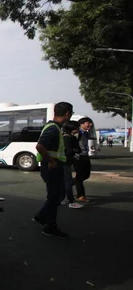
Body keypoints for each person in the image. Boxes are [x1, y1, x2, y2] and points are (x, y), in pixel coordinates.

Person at [33, 101, 73, 239]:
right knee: (54, 196)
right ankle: (50, 226)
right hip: (52, 167)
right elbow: (39, 146)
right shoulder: (53, 128)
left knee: (58, 195)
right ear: (67, 113)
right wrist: (51, 160)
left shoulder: (54, 127)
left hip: (53, 166)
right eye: (71, 113)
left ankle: (41, 216)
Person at [62, 120, 84, 209]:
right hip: (65, 162)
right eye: (76, 127)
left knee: (66, 182)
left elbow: (78, 149)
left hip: (68, 162)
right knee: (68, 182)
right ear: (72, 129)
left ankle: (61, 198)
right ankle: (71, 201)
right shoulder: (66, 138)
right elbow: (70, 151)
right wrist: (75, 150)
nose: (78, 129)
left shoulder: (72, 137)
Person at [74, 117, 93, 203]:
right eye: (87, 123)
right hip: (79, 157)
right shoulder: (78, 133)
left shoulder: (85, 133)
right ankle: (80, 195)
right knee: (80, 176)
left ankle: (68, 184)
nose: (89, 124)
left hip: (85, 155)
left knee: (86, 175)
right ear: (81, 124)